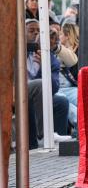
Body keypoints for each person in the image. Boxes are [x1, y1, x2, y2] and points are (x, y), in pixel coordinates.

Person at [25, 19, 70, 148]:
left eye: (39, 31)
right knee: (39, 84)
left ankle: (58, 143)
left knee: (62, 102)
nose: (36, 34)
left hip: (37, 95)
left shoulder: (47, 54)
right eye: (31, 31)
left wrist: (45, 67)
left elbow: (54, 87)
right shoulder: (15, 51)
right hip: (16, 91)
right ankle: (44, 134)